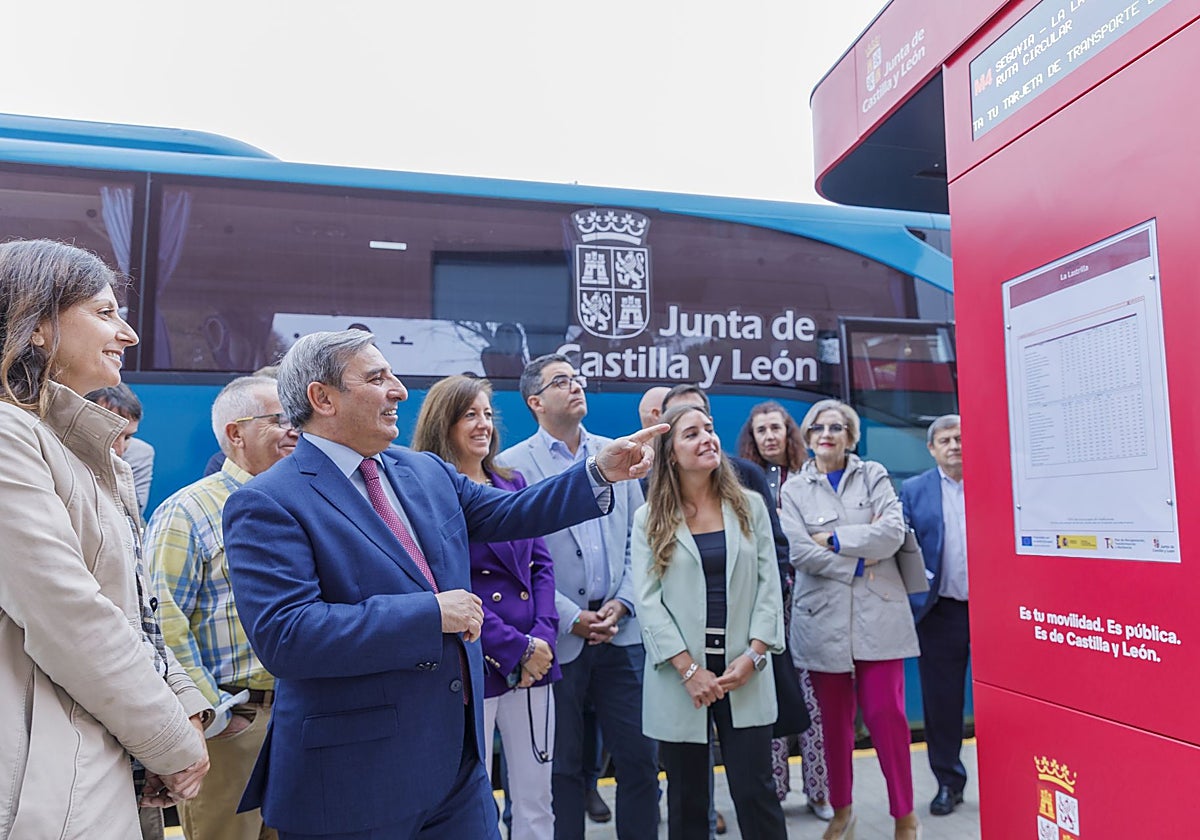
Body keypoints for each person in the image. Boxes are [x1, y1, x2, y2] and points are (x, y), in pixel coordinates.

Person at [222, 331, 663, 840]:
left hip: (457, 771)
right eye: (376, 378)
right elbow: (288, 637)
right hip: (354, 782)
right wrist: (430, 613)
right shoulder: (268, 502)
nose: (400, 391)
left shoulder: (425, 471)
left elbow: (514, 512)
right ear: (322, 398)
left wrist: (598, 474)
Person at [0, 239, 210, 838]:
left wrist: (183, 704)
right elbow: (71, 617)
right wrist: (173, 739)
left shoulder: (86, 451)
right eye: (104, 311)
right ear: (37, 326)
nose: (129, 334)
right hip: (42, 790)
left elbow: (137, 606)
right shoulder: (9, 436)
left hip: (88, 767)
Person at [500, 354, 660, 840]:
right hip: (559, 636)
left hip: (622, 631)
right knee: (562, 767)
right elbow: (523, 555)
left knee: (639, 760)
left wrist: (625, 602)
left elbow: (641, 537)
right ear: (535, 401)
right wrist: (571, 617)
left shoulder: (617, 452)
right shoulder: (512, 465)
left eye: (577, 378)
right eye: (561, 381)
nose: (576, 387)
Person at [146, 375, 299, 840]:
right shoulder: (187, 511)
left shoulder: (303, 504)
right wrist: (215, 715)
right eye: (279, 419)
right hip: (237, 726)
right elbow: (163, 620)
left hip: (301, 720)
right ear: (236, 434)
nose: (295, 430)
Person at [411, 374, 559, 839]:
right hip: (476, 662)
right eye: (469, 414)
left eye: (488, 415)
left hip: (536, 662)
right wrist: (516, 648)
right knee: (473, 801)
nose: (483, 425)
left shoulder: (512, 482)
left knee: (537, 798)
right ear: (444, 423)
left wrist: (544, 640)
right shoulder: (427, 494)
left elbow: (541, 565)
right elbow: (449, 583)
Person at [632, 404, 787, 840]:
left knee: (757, 794)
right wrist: (689, 669)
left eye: (710, 429)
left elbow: (768, 587)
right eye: (692, 433)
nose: (708, 439)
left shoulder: (749, 507)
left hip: (745, 673)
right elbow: (648, 603)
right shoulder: (649, 518)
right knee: (686, 802)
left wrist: (755, 656)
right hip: (680, 681)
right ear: (670, 454)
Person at [779, 399, 921, 840]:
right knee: (832, 727)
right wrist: (857, 561)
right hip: (821, 620)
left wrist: (835, 539)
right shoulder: (792, 490)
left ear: (850, 436)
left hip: (881, 614)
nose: (827, 433)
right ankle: (843, 811)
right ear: (807, 436)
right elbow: (800, 551)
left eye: (837, 427)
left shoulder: (874, 474)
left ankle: (904, 815)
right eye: (818, 427)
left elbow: (892, 533)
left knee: (886, 715)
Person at [737, 400, 833, 821]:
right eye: (762, 431)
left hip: (810, 602)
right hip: (765, 603)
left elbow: (829, 534)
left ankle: (820, 791)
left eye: (777, 428)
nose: (770, 436)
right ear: (753, 439)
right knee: (768, 695)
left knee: (814, 702)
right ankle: (774, 789)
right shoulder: (743, 481)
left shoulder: (812, 479)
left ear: (789, 433)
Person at [900, 414, 969, 817]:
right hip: (940, 612)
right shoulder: (914, 490)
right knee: (942, 706)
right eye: (945, 440)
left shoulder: (996, 481)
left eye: (960, 438)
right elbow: (906, 549)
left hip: (995, 614)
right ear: (932, 449)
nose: (954, 445)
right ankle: (948, 782)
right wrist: (915, 599)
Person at [85, 383, 155, 515]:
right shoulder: (54, 448)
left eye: (128, 437)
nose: (119, 450)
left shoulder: (141, 453)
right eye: (111, 435)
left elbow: (131, 513)